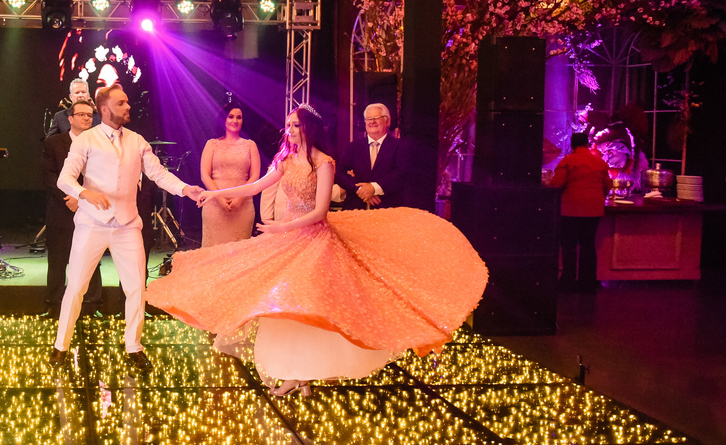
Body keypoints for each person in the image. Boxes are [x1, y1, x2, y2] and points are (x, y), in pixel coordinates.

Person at [146, 104, 487, 396]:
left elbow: (320, 212)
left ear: (308, 128)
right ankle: (296, 374)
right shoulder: (285, 160)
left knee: (309, 308)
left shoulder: (325, 162)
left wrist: (280, 227)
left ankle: (302, 374)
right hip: (286, 240)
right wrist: (215, 193)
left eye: (295, 125)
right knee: (284, 308)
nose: (290, 130)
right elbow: (254, 186)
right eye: (288, 125)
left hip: (313, 240)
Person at [51, 84, 203, 372]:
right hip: (92, 223)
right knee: (77, 286)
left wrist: (186, 189)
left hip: (127, 224)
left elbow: (158, 173)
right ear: (105, 109)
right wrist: (85, 193)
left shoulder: (137, 140)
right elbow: (65, 179)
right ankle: (61, 345)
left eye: (127, 102)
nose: (128, 106)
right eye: (121, 103)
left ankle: (134, 346)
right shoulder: (86, 140)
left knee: (135, 287)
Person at [41, 99, 103, 319]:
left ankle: (92, 303)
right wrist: (70, 197)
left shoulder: (100, 143)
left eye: (90, 115)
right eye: (82, 114)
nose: (86, 118)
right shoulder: (54, 143)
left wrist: (82, 200)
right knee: (57, 259)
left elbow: (102, 176)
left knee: (91, 257)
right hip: (61, 207)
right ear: (70, 119)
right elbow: (48, 175)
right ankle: (54, 304)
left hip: (90, 209)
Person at [550, 132, 611, 291]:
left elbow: (557, 184)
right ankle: (588, 283)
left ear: (572, 145)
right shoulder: (599, 162)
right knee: (588, 245)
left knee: (569, 246)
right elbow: (607, 186)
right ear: (587, 144)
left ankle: (568, 282)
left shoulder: (568, 161)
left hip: (570, 209)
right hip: (594, 210)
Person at [200, 103, 261, 247]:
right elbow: (205, 175)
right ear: (224, 119)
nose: (235, 120)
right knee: (213, 252)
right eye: (231, 116)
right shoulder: (212, 144)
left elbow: (255, 177)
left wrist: (240, 198)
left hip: (243, 205)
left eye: (239, 117)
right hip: (215, 205)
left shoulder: (250, 145)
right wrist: (219, 198)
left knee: (239, 252)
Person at [334, 103, 408, 209]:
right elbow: (340, 174)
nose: (372, 121)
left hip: (387, 209)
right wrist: (360, 190)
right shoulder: (353, 146)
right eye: (369, 118)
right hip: (355, 209)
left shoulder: (400, 146)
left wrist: (374, 188)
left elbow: (401, 173)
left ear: (387, 121)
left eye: (376, 117)